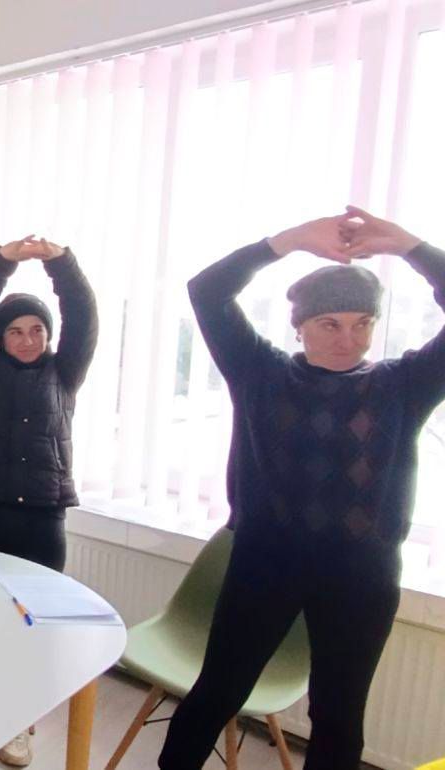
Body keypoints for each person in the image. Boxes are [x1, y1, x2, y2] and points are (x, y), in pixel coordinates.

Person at [159, 209, 445, 770]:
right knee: (217, 691)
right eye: (330, 324)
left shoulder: (402, 388)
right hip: (265, 563)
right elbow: (207, 291)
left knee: (338, 716)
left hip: (362, 577)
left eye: (362, 323)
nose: (348, 339)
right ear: (300, 326)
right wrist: (287, 241)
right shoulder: (260, 373)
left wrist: (411, 247)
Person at [0, 234, 98, 767]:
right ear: (0, 338)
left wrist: (62, 263)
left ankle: (19, 720)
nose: (28, 338)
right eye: (15, 330)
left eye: (37, 329)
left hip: (42, 517)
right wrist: (1, 262)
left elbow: (83, 314)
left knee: (31, 623)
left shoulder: (65, 371)